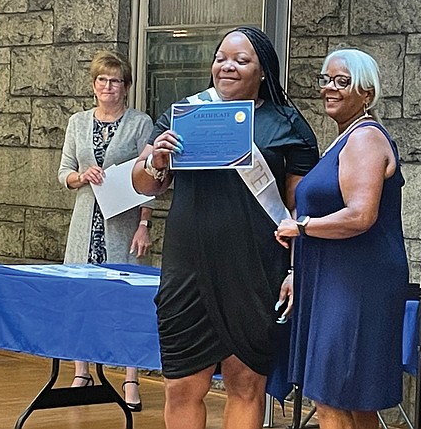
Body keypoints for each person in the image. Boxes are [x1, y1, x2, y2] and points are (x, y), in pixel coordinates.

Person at [132, 26, 319, 429]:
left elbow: (298, 207)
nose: (227, 66)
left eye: (241, 60)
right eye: (221, 58)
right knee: (181, 386)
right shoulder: (185, 113)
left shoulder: (287, 123)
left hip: (255, 267)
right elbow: (143, 184)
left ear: (264, 70)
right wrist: (156, 162)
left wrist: (295, 269)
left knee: (246, 383)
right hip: (189, 268)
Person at [275, 48, 411, 429]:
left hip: (357, 281)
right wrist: (297, 272)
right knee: (355, 398)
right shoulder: (344, 138)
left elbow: (360, 215)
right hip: (333, 277)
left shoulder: (365, 139)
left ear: (366, 93)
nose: (329, 89)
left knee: (330, 393)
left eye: (342, 81)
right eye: (325, 79)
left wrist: (300, 227)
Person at [58, 50, 153, 412]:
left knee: (126, 302)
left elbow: (152, 178)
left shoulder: (139, 123)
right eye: (101, 80)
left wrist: (145, 224)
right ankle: (81, 371)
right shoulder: (77, 122)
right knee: (82, 297)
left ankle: (130, 379)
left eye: (115, 80)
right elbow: (64, 170)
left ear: (125, 87)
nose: (107, 86)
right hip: (85, 224)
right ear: (93, 84)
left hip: (124, 225)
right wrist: (80, 177)